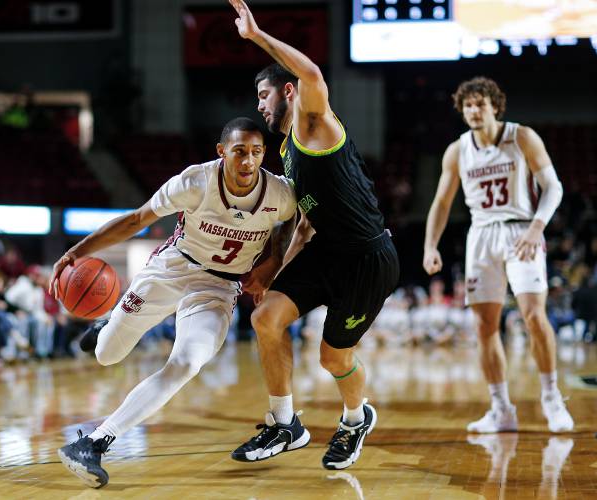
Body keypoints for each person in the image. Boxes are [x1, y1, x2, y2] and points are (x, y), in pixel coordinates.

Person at [52, 117, 297, 488]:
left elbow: (292, 224)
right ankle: (106, 327)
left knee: (187, 362)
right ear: (222, 152)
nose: (248, 161)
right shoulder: (195, 181)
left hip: (218, 287)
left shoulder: (279, 194)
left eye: (256, 153)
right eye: (239, 152)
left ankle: (95, 442)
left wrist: (271, 265)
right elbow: (136, 220)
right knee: (107, 355)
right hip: (173, 268)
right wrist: (75, 252)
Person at [227, 0, 400, 470]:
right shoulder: (286, 152)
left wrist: (257, 35)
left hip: (368, 258)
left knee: (332, 358)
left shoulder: (313, 123)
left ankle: (354, 418)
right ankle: (285, 424)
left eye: (264, 95)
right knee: (265, 319)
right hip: (326, 250)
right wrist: (270, 273)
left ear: (286, 91)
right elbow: (301, 225)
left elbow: (313, 74)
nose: (259, 106)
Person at [423, 76, 573, 433]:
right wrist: (431, 245)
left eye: (480, 104)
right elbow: (442, 202)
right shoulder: (458, 150)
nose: (474, 111)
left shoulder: (521, 137)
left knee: (534, 315)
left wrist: (538, 226)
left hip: (522, 229)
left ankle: (551, 398)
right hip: (482, 234)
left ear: (494, 106)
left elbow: (553, 186)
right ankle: (501, 408)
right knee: (483, 326)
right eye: (468, 106)